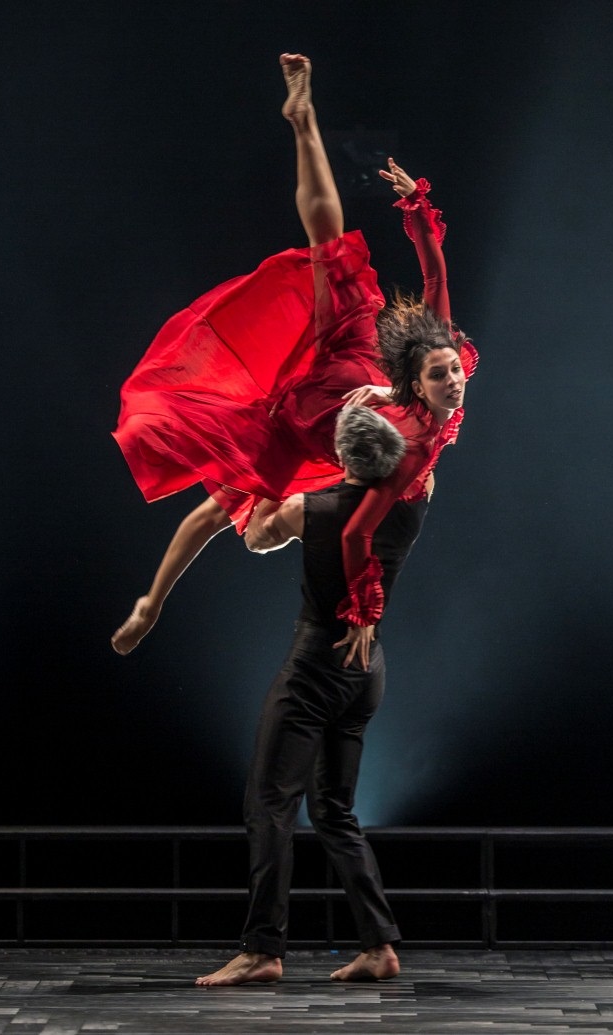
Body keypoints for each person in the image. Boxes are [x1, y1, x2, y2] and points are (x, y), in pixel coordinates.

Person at [111, 53, 476, 666]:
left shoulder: (424, 403)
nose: (453, 380)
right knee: (327, 246)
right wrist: (416, 208)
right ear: (421, 379)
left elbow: (436, 279)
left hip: (325, 402)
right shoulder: (421, 425)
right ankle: (302, 120)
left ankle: (151, 603)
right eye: (444, 373)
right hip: (339, 386)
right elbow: (360, 532)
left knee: (328, 246)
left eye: (452, 373)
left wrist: (418, 208)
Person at [195, 404, 429, 986]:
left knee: (269, 804)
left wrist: (269, 465)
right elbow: (431, 440)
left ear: (340, 455)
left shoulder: (311, 509)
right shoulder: (414, 502)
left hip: (315, 666)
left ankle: (262, 949)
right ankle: (378, 945)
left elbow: (254, 536)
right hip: (366, 669)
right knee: (333, 810)